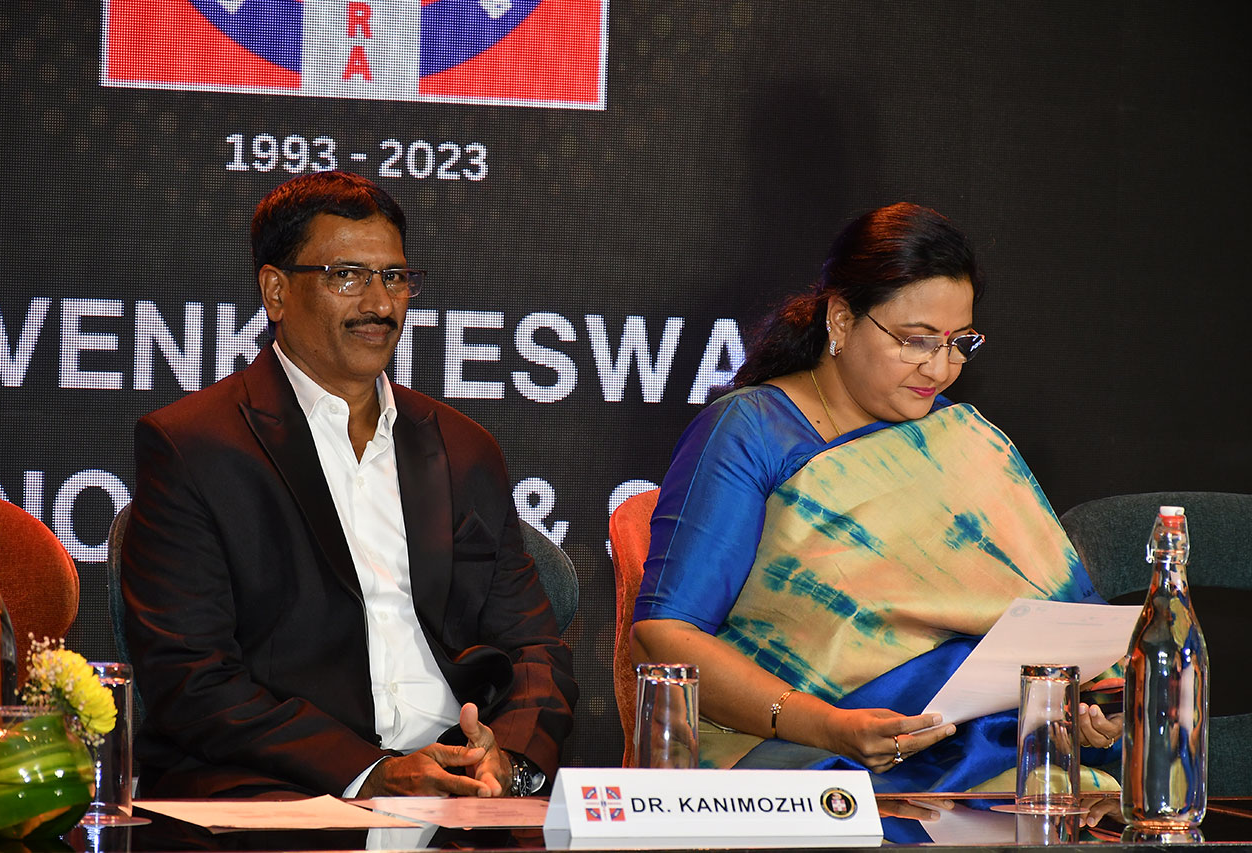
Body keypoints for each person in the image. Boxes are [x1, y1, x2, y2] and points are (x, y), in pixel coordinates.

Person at [631, 203, 1122, 791]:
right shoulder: (750, 432)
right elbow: (666, 639)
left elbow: (1051, 624)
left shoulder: (959, 440)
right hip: (798, 759)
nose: (940, 369)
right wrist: (829, 726)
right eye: (917, 341)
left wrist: (1083, 705)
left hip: (976, 751)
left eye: (959, 343)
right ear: (841, 321)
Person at [121, 171, 577, 799]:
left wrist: (511, 761)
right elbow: (190, 679)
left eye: (394, 277)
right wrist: (369, 773)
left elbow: (533, 648)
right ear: (276, 292)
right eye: (347, 276)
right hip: (285, 791)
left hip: (464, 791)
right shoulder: (193, 446)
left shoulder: (464, 448)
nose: (380, 305)